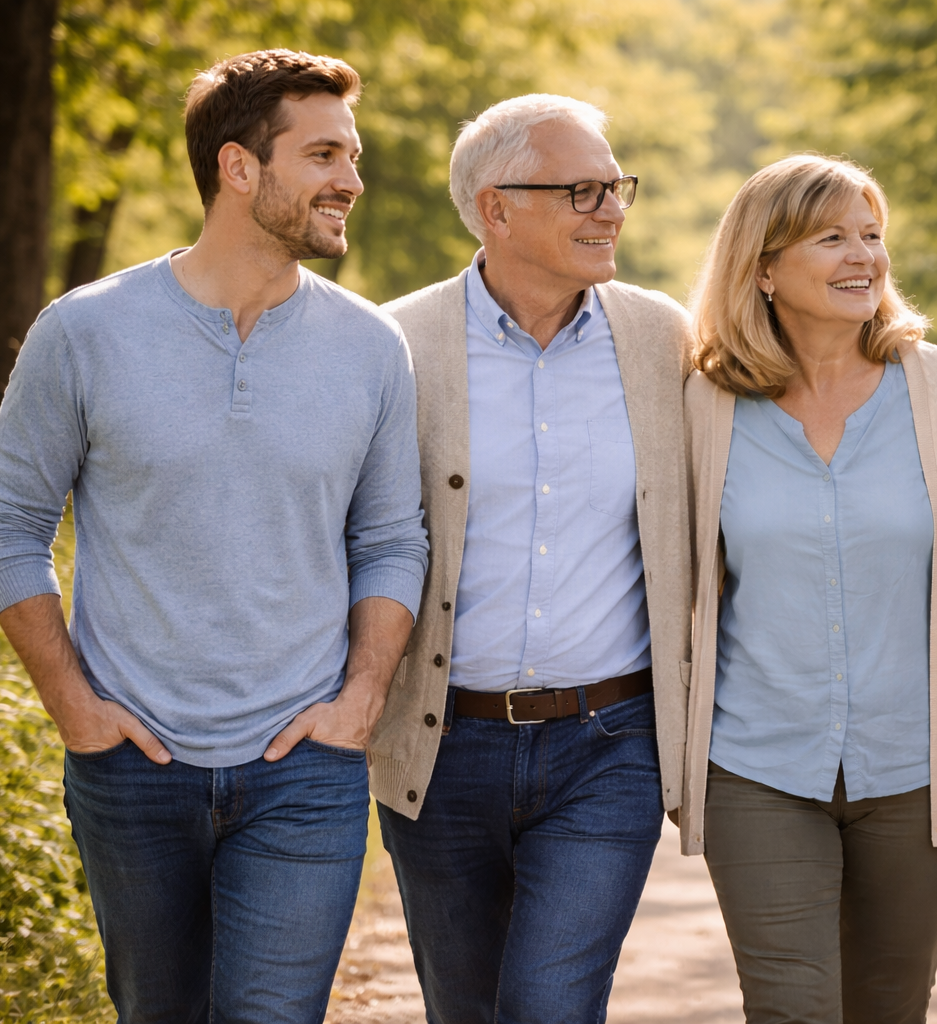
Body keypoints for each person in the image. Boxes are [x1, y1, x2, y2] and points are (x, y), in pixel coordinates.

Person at [0, 50, 429, 1021]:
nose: (352, 180)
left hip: (305, 767)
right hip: (132, 765)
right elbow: (8, 527)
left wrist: (360, 700)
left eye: (352, 156)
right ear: (238, 167)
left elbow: (391, 539)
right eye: (324, 155)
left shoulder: (371, 347)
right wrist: (76, 710)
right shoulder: (85, 331)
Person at [371, 94, 693, 1023]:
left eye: (616, 187)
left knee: (551, 1004)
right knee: (466, 1008)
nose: (611, 209)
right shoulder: (394, 344)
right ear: (495, 208)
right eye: (582, 190)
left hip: (610, 747)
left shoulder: (664, 339)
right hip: (441, 748)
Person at [679, 154, 937, 1024]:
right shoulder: (707, 403)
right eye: (832, 238)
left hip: (919, 767)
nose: (864, 256)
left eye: (872, 235)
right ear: (763, 268)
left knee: (888, 1006)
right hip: (756, 764)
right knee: (790, 1007)